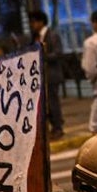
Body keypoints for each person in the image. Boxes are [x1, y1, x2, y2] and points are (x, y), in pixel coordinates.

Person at [28, 10, 65, 138]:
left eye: (33, 22)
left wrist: (43, 56)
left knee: (53, 102)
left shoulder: (52, 35)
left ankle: (58, 126)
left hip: (52, 74)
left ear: (41, 22)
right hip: (40, 76)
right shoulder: (35, 37)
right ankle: (52, 126)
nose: (32, 25)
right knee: (46, 104)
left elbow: (58, 53)